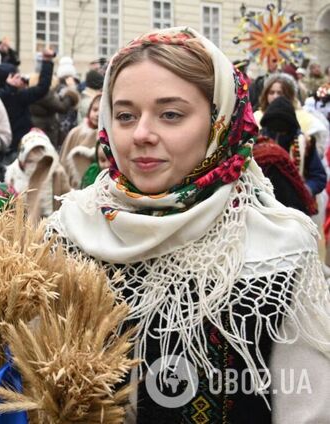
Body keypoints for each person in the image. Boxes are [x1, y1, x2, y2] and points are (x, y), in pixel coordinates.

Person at [46, 27, 330, 422]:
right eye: (125, 115)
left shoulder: (278, 250)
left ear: (220, 121)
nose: (141, 134)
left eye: (171, 115)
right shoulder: (69, 233)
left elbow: (307, 408)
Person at [0, 48, 55, 155]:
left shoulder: (8, 94)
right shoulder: (13, 96)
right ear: (8, 80)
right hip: (14, 147)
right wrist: (47, 61)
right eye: (17, 77)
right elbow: (42, 88)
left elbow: (42, 88)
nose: (21, 79)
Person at [5, 128, 71, 218]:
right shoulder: (13, 174)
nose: (35, 165)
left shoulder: (57, 173)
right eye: (30, 161)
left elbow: (67, 198)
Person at [60, 94, 101, 186]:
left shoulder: (106, 138)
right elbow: (63, 160)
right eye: (95, 110)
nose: (97, 114)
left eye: (102, 111)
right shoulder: (76, 132)